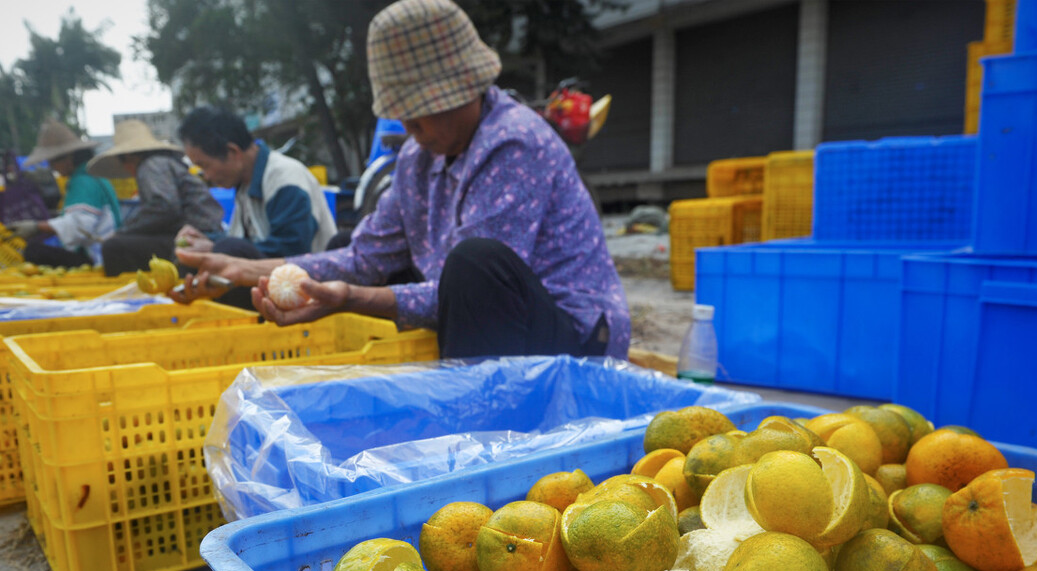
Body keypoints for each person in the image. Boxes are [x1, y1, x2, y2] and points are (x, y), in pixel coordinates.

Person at [175, 0, 630, 359]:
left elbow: (472, 292)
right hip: (491, 318)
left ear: (466, 91)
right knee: (346, 245)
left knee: (474, 265)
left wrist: (351, 297)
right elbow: (364, 257)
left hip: (575, 337)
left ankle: (483, 442)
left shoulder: (514, 143)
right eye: (405, 117)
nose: (410, 129)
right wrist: (247, 271)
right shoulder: (418, 158)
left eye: (420, 115)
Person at [175, 106, 336, 259]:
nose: (207, 177)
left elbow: (289, 253)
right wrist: (206, 239)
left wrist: (214, 249)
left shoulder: (285, 179)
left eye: (205, 166)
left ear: (232, 152)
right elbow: (246, 242)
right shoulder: (244, 185)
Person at [88, 120, 225, 276]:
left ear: (128, 158)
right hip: (192, 232)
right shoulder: (163, 163)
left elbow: (164, 207)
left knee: (113, 246)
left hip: (197, 236)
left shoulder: (151, 165)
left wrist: (124, 231)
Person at [7, 119, 121, 267]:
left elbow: (78, 226)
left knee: (34, 251)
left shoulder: (83, 181)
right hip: (106, 251)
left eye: (53, 161)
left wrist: (36, 227)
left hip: (98, 258)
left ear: (68, 158)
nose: (51, 167)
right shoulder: (91, 175)